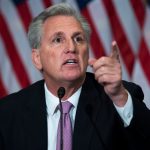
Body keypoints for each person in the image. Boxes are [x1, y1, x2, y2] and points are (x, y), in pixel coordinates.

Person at [0, 2, 150, 150]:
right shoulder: (8, 112)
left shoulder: (117, 98)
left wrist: (119, 97)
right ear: (37, 58)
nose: (71, 47)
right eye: (58, 40)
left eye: (78, 39)